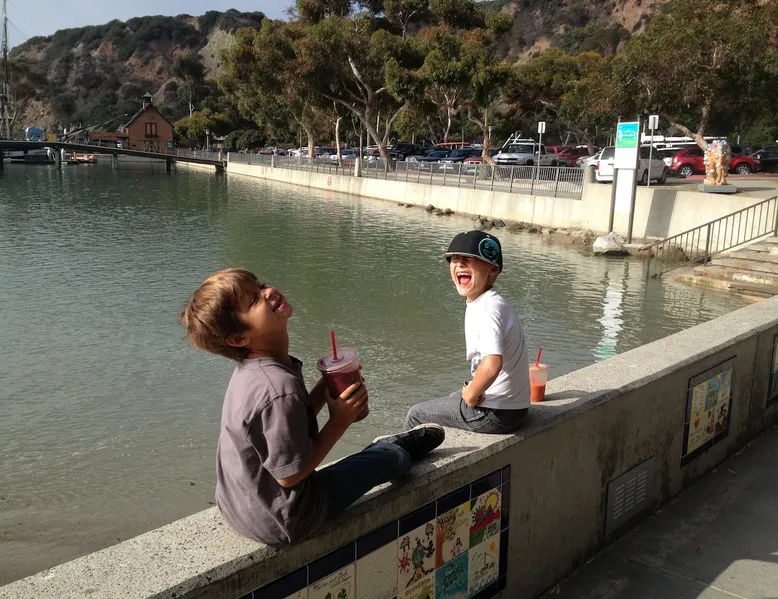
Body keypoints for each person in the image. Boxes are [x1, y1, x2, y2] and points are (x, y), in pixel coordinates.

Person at [180, 268, 444, 546]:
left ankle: (381, 450)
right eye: (254, 300)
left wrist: (324, 388)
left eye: (262, 285)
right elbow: (289, 475)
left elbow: (286, 426)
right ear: (238, 339)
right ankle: (391, 448)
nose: (268, 292)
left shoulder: (253, 372)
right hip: (289, 518)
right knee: (390, 460)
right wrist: (339, 423)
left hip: (241, 506)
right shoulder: (278, 387)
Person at [404, 231, 530, 434]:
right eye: (454, 259)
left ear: (493, 269)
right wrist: (473, 389)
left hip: (497, 413)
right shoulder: (488, 301)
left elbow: (492, 364)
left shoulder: (488, 308)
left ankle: (404, 454)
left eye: (469, 258)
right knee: (454, 397)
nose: (460, 264)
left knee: (416, 414)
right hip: (515, 406)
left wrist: (472, 395)